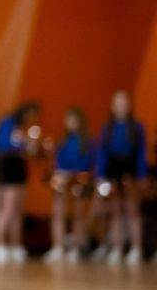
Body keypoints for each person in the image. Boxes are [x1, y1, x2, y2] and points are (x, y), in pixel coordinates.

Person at [95, 90, 148, 265]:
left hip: (130, 169)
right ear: (112, 106)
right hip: (112, 169)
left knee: (132, 210)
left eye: (124, 104)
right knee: (115, 211)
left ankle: (136, 248)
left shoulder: (137, 127)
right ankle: (117, 248)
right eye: (117, 104)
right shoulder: (107, 128)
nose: (121, 107)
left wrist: (142, 174)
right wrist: (100, 175)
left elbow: (141, 153)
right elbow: (102, 152)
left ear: (129, 106)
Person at [0, 101, 41, 264]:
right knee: (7, 207)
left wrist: (31, 146)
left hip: (20, 167)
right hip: (8, 166)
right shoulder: (8, 123)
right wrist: (23, 143)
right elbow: (3, 145)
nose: (33, 118)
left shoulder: (26, 127)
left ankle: (15, 244)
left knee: (18, 209)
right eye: (31, 114)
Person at [46, 107, 94, 264]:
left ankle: (75, 248)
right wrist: (60, 173)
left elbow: (88, 160)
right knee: (57, 213)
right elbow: (57, 160)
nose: (70, 123)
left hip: (78, 179)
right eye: (67, 120)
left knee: (78, 215)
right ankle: (57, 247)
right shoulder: (62, 140)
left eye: (73, 120)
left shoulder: (87, 141)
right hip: (62, 178)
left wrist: (73, 173)